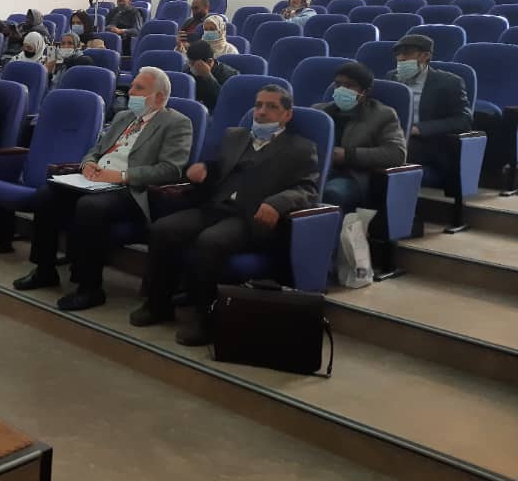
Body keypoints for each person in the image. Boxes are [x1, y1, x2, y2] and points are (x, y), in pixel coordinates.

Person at [132, 85, 319, 345]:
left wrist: (278, 203)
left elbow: (307, 189)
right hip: (216, 207)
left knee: (211, 242)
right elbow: (219, 167)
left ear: (287, 115)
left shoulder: (300, 148)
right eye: (258, 105)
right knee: (163, 229)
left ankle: (207, 319)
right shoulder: (235, 135)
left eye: (272, 106)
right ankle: (157, 305)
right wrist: (203, 169)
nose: (262, 111)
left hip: (250, 217)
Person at [9, 68, 192, 311]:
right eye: (132, 86)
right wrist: (88, 164)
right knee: (46, 195)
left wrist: (122, 176)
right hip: (96, 181)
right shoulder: (123, 117)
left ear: (159, 97)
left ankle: (90, 287)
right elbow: (95, 150)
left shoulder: (177, 123)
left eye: (139, 88)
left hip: (130, 190)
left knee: (90, 207)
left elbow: (171, 170)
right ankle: (45, 269)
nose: (131, 92)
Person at [313, 62, 406, 213]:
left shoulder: (383, 115)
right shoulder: (319, 111)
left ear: (365, 92)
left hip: (351, 175)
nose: (341, 90)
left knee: (331, 193)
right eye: (338, 84)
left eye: (349, 86)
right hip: (316, 171)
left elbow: (396, 153)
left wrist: (348, 155)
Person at [387, 34, 472, 196]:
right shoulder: (391, 77)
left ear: (426, 55)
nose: (401, 58)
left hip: (427, 142)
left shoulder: (449, 82)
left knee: (384, 153)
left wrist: (419, 129)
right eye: (398, 54)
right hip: (395, 137)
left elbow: (464, 120)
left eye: (407, 53)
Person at [184, 40, 239, 113]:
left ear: (209, 61)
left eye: (193, 63)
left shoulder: (230, 75)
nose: (191, 67)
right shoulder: (188, 71)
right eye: (189, 63)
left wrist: (208, 76)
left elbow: (225, 101)